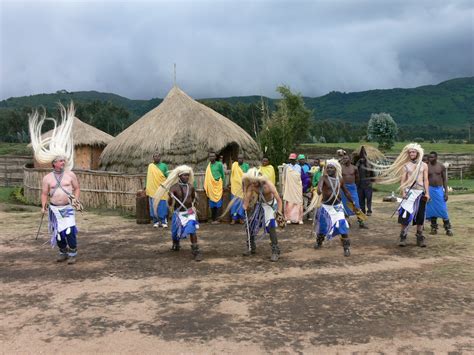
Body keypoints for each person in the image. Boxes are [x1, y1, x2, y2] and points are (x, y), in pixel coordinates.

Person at [30, 103, 81, 264]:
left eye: (64, 160)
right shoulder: (47, 179)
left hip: (67, 207)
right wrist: (43, 205)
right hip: (54, 209)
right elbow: (44, 193)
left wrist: (75, 199)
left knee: (70, 231)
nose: (63, 163)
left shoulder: (70, 174)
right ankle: (62, 251)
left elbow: (77, 188)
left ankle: (73, 253)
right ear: (54, 163)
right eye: (60, 161)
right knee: (58, 231)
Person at [371, 143, 430, 247]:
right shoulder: (406, 165)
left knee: (420, 215)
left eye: (413, 152)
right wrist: (403, 192)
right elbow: (403, 180)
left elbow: (426, 180)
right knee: (405, 215)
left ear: (417, 153)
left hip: (420, 193)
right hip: (409, 192)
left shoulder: (424, 165)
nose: (411, 153)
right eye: (410, 152)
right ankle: (403, 236)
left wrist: (427, 193)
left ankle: (419, 237)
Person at [309, 159, 358, 256]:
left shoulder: (340, 179)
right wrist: (319, 190)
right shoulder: (323, 178)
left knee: (342, 225)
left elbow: (346, 191)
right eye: (328, 168)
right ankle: (319, 242)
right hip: (326, 207)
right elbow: (319, 187)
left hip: (337, 207)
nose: (330, 169)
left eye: (332, 168)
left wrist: (352, 201)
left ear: (335, 169)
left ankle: (346, 248)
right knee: (323, 227)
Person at [153, 166, 202, 261]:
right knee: (175, 233)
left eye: (188, 175)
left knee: (192, 229)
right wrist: (171, 197)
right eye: (184, 175)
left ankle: (195, 251)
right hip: (178, 213)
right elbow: (170, 204)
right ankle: (176, 243)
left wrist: (195, 204)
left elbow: (193, 199)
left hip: (189, 212)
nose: (186, 177)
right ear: (179, 176)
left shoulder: (191, 187)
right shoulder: (174, 188)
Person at [242, 168, 284, 262]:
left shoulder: (268, 185)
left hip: (270, 206)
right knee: (250, 223)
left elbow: (279, 200)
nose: (253, 184)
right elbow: (247, 199)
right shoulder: (252, 186)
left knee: (270, 226)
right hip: (260, 205)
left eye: (255, 182)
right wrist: (245, 205)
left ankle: (275, 250)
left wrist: (279, 214)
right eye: (252, 182)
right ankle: (251, 246)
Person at [426, 152, 453, 236]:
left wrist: (446, 192)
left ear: (436, 157)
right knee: (432, 210)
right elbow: (424, 180)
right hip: (430, 190)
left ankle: (448, 228)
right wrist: (425, 192)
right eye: (430, 157)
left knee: (443, 209)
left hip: (439, 190)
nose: (431, 159)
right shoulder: (426, 167)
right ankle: (433, 228)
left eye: (432, 157)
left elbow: (445, 179)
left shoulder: (441, 166)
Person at [340, 153, 367, 228]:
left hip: (352, 187)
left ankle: (361, 222)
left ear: (350, 159)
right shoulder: (341, 168)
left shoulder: (354, 168)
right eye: (343, 158)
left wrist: (354, 186)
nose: (344, 159)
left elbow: (357, 178)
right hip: (343, 188)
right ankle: (347, 222)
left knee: (356, 204)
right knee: (345, 205)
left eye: (346, 158)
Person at [145, 152, 169, 228]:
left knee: (162, 205)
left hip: (161, 188)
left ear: (160, 157)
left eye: (158, 156)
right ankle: (156, 221)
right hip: (152, 189)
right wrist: (146, 186)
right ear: (153, 158)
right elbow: (149, 178)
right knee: (153, 205)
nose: (156, 158)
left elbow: (167, 176)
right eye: (155, 156)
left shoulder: (164, 166)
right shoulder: (150, 166)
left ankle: (163, 221)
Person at [204, 152, 226, 224]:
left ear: (215, 157)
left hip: (218, 185)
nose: (211, 157)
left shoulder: (219, 164)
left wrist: (224, 184)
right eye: (210, 156)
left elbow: (222, 174)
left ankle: (217, 219)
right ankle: (213, 219)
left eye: (213, 156)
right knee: (212, 203)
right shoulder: (208, 166)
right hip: (211, 186)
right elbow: (207, 177)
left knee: (218, 202)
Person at [282, 153, 304, 224]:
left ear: (296, 160)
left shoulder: (299, 167)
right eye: (291, 159)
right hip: (289, 187)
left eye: (293, 160)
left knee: (299, 202)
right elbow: (284, 177)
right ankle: (288, 218)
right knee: (289, 202)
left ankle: (299, 219)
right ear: (289, 160)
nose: (292, 161)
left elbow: (301, 177)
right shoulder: (287, 167)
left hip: (297, 187)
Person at [229, 154, 250, 224]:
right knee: (234, 203)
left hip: (242, 188)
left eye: (241, 158)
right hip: (235, 188)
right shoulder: (234, 165)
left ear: (243, 159)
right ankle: (234, 219)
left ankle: (241, 218)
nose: (239, 160)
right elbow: (232, 175)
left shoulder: (246, 166)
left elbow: (248, 176)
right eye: (238, 158)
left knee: (241, 203)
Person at [356, 146, 375, 216]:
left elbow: (373, 174)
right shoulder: (357, 164)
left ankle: (369, 210)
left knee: (368, 198)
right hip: (360, 184)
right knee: (361, 198)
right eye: (361, 157)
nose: (362, 158)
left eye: (364, 157)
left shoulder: (369, 164)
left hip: (367, 184)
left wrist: (371, 181)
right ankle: (362, 210)